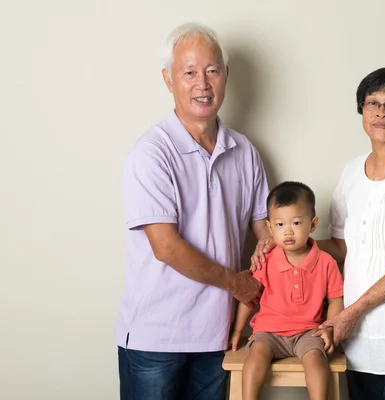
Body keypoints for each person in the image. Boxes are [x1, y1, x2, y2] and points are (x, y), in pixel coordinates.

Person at [253, 67, 385, 400]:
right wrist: (279, 247)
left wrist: (348, 315)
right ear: (362, 112)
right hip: (360, 343)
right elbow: (341, 247)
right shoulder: (352, 172)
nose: (380, 111)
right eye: (371, 102)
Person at [115, 22, 272, 400]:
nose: (202, 83)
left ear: (226, 76)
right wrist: (238, 285)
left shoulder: (244, 150)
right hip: (156, 337)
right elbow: (165, 247)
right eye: (189, 72)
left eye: (212, 70)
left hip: (218, 337)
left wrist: (271, 254)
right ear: (169, 80)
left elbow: (266, 230)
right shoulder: (152, 152)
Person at [232, 181, 344, 400]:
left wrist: (330, 328)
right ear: (270, 227)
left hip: (308, 331)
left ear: (312, 224)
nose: (288, 231)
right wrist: (237, 331)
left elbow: (336, 300)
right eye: (280, 224)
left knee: (316, 360)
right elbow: (249, 298)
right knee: (255, 356)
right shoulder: (266, 260)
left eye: (296, 222)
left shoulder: (326, 261)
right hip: (269, 331)